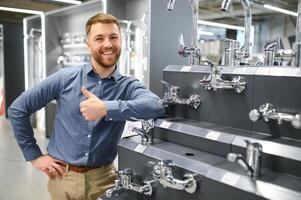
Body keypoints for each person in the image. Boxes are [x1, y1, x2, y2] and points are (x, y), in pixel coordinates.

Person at [8, 13, 165, 200]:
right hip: (62, 178)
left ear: (121, 41)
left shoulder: (128, 86)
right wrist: (34, 155)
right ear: (88, 44)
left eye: (113, 37)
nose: (108, 44)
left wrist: (106, 108)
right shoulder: (65, 78)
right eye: (99, 38)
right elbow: (18, 109)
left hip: (104, 179)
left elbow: (156, 106)